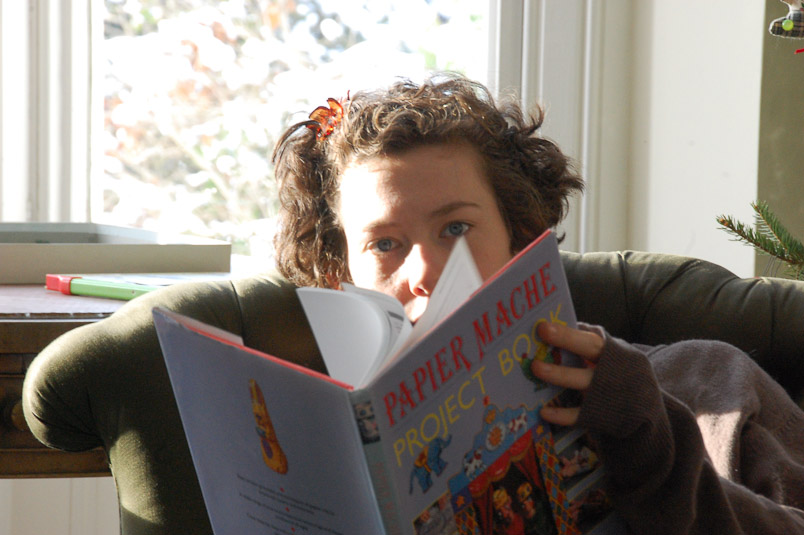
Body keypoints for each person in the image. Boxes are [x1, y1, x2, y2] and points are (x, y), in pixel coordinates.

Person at [271, 72, 804, 533]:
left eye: (455, 228)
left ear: (521, 238)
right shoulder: (325, 439)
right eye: (385, 244)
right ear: (341, 273)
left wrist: (648, 434)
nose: (425, 273)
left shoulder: (710, 380)